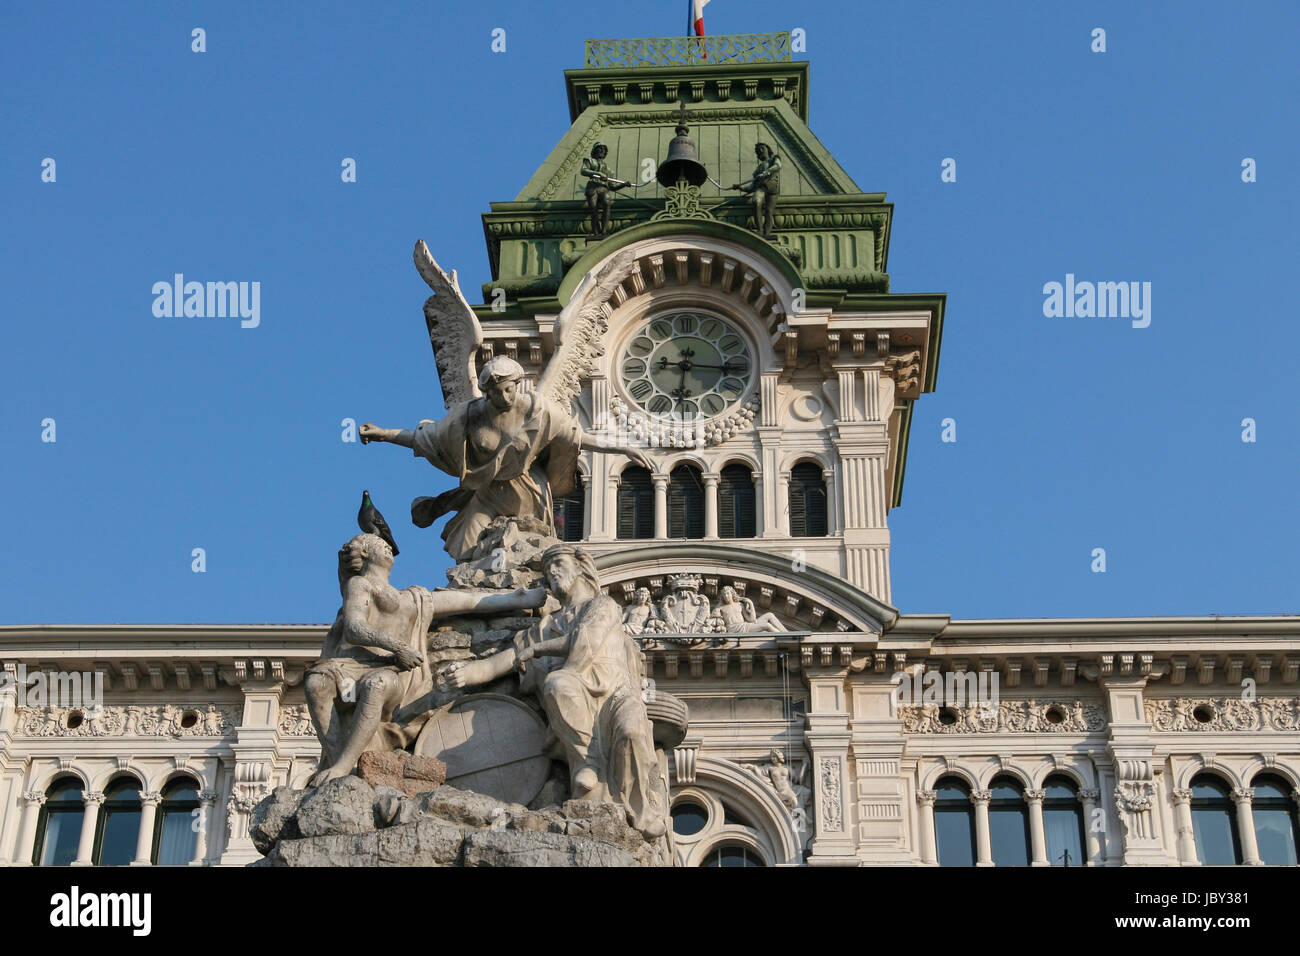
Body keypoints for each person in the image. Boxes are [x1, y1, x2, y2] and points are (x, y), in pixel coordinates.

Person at [441, 544, 667, 837]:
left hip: (617, 694)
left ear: (581, 569)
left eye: (558, 564)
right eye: (548, 569)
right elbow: (507, 660)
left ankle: (639, 811)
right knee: (558, 684)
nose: (552, 572)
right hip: (574, 695)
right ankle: (587, 764)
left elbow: (585, 639)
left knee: (633, 732)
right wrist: (466, 673)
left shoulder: (603, 606)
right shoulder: (543, 627)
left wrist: (536, 650)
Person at [304, 532, 547, 786]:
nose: (388, 547)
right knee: (316, 682)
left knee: (377, 684)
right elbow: (354, 627)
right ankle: (339, 763)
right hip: (352, 675)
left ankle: (345, 764)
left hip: (394, 681)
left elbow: (464, 601)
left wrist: (516, 599)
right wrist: (399, 648)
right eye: (379, 545)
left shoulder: (414, 598)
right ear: (365, 554)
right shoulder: (360, 585)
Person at [360, 356, 651, 560]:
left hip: (526, 492)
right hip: (488, 493)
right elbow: (427, 439)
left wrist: (622, 447)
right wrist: (383, 433)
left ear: (518, 383)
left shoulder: (539, 411)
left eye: (509, 389)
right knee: (465, 545)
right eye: (497, 393)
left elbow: (577, 437)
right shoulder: (467, 417)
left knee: (522, 553)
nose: (505, 397)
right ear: (487, 393)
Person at [730, 143, 781, 238]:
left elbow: (777, 166)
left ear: (767, 149)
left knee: (769, 210)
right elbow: (751, 187)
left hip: (772, 188)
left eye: (762, 148)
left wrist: (766, 172)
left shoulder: (774, 159)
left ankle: (767, 232)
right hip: (761, 188)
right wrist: (739, 187)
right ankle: (760, 230)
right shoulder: (758, 170)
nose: (760, 151)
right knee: (756, 202)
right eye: (758, 150)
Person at [580, 142, 629, 237]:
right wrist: (598, 174)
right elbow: (583, 170)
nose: (602, 151)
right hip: (593, 186)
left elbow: (612, 187)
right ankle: (596, 232)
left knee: (607, 204)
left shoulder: (609, 170)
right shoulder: (590, 161)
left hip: (603, 188)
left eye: (603, 149)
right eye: (599, 148)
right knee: (594, 210)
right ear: (595, 150)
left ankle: (604, 231)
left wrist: (623, 185)